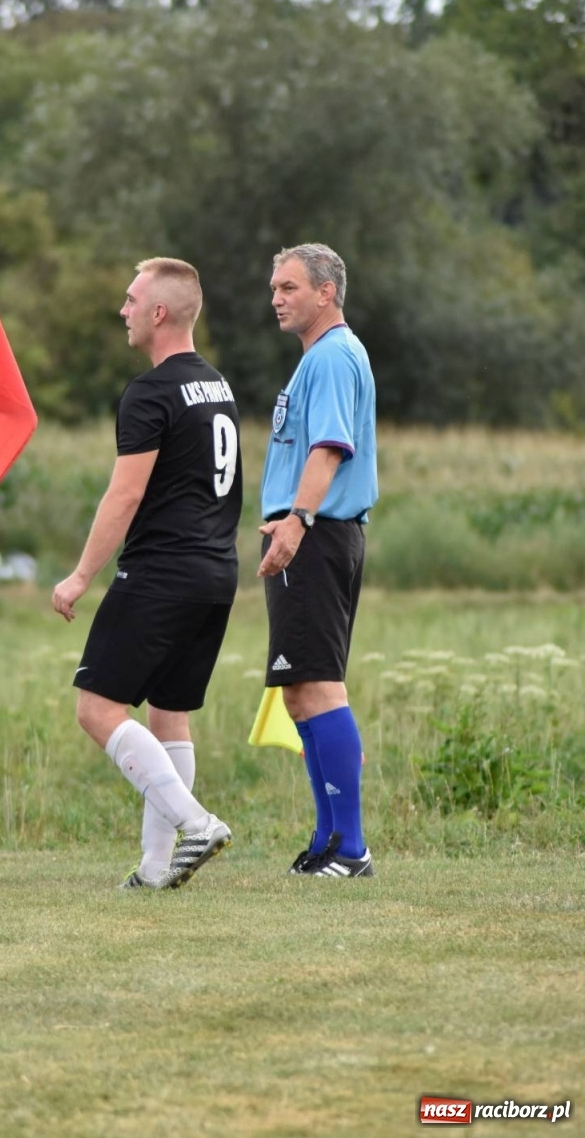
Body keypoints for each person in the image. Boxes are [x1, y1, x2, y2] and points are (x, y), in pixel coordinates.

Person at [52, 256, 242, 890]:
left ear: (159, 312)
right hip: (216, 573)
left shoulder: (150, 391)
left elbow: (124, 495)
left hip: (162, 573)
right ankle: (156, 870)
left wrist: (81, 575)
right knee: (169, 714)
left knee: (96, 707)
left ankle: (197, 823)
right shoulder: (217, 385)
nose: (123, 310)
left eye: (132, 300)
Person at [257, 243, 378, 877]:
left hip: (316, 534)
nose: (276, 297)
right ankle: (328, 840)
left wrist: (296, 522)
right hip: (312, 533)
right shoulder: (321, 358)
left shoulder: (331, 356)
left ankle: (352, 848)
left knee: (321, 687)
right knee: (301, 692)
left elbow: (330, 449)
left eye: (289, 287)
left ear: (325, 292)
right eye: (275, 288)